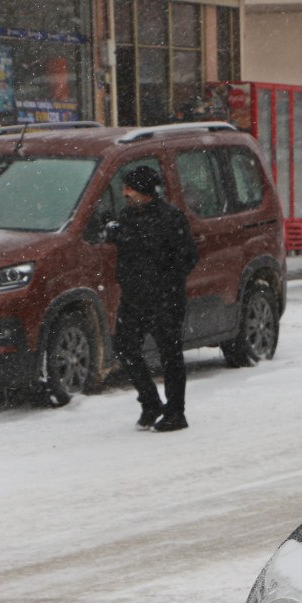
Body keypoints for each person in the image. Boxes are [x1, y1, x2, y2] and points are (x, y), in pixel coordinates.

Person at [107, 166, 199, 432]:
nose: (124, 193)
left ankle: (175, 412)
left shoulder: (171, 218)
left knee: (170, 354)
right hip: (133, 298)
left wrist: (164, 282)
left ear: (144, 191)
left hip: (164, 299)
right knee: (125, 347)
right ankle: (150, 403)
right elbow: (126, 250)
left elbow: (188, 257)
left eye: (129, 188)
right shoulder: (126, 217)